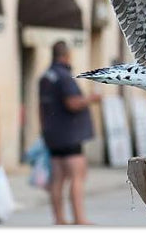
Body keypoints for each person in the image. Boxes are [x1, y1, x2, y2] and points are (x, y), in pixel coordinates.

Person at [39, 41, 102, 225]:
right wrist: (92, 98)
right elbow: (72, 103)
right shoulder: (64, 76)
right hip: (69, 134)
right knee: (77, 176)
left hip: (52, 134)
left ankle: (59, 219)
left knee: (57, 178)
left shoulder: (45, 76)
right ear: (67, 56)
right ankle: (79, 218)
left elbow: (40, 107)